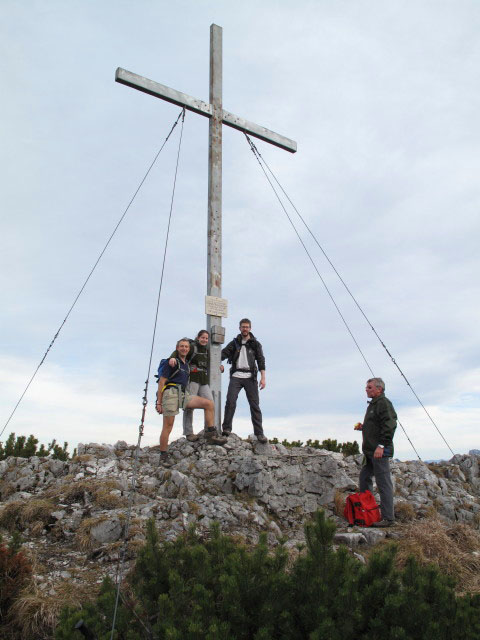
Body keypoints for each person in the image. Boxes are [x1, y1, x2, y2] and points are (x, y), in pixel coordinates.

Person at [156, 338, 226, 465]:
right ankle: (163, 455)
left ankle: (211, 435)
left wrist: (219, 365)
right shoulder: (171, 362)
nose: (184, 348)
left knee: (209, 404)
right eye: (182, 346)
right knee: (168, 426)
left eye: (186, 347)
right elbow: (161, 382)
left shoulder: (186, 363)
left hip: (183, 394)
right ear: (177, 348)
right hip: (170, 393)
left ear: (189, 349)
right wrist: (159, 402)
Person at [354, 377, 397, 527]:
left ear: (379, 389)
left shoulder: (384, 403)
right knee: (364, 478)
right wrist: (364, 427)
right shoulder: (373, 404)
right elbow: (376, 425)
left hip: (379, 451)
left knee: (383, 483)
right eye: (366, 387)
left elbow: (390, 425)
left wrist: (381, 446)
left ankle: (388, 518)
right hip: (370, 452)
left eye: (370, 387)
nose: (367, 389)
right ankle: (367, 511)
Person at [220, 318, 268, 443]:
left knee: (254, 405)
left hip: (250, 377)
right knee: (230, 401)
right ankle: (226, 429)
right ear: (239, 328)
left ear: (250, 328)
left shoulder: (255, 344)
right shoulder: (234, 343)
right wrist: (215, 361)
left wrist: (263, 378)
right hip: (236, 376)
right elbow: (223, 354)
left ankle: (259, 433)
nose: (245, 329)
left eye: (247, 327)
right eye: (243, 327)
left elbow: (261, 360)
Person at [169, 330, 212, 443]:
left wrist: (220, 366)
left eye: (206, 338)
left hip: (203, 380)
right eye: (202, 337)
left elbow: (210, 363)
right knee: (189, 406)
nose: (204, 340)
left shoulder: (207, 350)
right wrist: (172, 358)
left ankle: (209, 430)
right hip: (192, 379)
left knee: (210, 403)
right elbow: (178, 351)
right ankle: (188, 432)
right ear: (198, 338)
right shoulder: (192, 347)